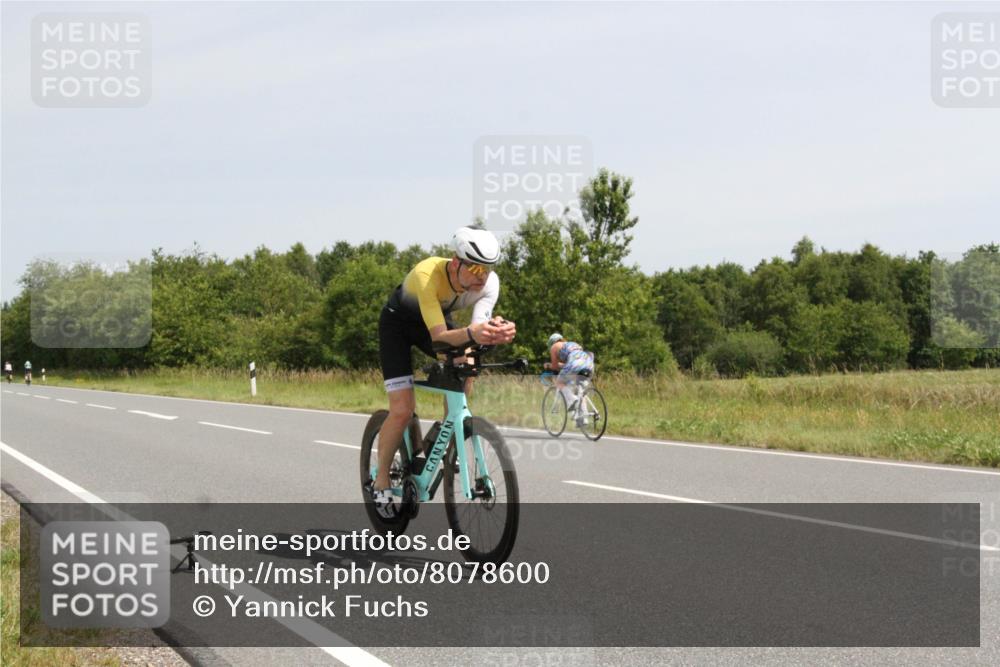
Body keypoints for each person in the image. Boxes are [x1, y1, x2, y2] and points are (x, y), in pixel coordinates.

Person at [370, 226, 516, 517]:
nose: (482, 276)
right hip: (399, 325)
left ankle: (450, 431)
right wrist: (475, 333)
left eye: (488, 269)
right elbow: (438, 337)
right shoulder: (427, 275)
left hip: (434, 321)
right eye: (475, 267)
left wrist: (494, 333)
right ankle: (381, 480)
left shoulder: (489, 284)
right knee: (402, 409)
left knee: (469, 362)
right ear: (455, 263)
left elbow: (476, 329)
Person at [543, 333, 595, 422]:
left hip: (575, 364)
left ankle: (572, 399)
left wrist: (548, 365)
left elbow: (555, 366)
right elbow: (570, 362)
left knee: (560, 382)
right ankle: (584, 418)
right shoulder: (573, 344)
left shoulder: (554, 346)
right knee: (580, 390)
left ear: (552, 342)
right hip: (589, 363)